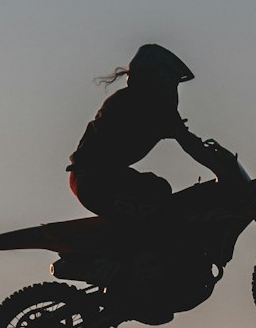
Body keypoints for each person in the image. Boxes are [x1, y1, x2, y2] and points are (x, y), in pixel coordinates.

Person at [67, 44, 221, 224]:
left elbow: (186, 139)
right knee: (159, 205)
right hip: (98, 182)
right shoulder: (152, 102)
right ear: (162, 76)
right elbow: (189, 143)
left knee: (156, 188)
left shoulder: (132, 98)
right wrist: (221, 170)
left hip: (91, 180)